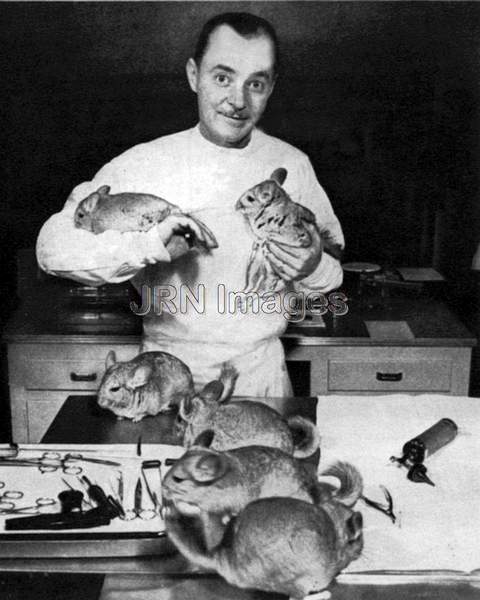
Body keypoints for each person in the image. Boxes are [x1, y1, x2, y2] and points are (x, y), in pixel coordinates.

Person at [36, 12, 344, 397]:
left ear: (272, 87)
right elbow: (52, 250)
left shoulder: (293, 166)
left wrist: (313, 266)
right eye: (222, 77)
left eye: (257, 83)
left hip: (260, 379)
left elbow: (331, 276)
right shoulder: (142, 163)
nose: (238, 100)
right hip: (164, 381)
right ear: (193, 75)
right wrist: (147, 246)